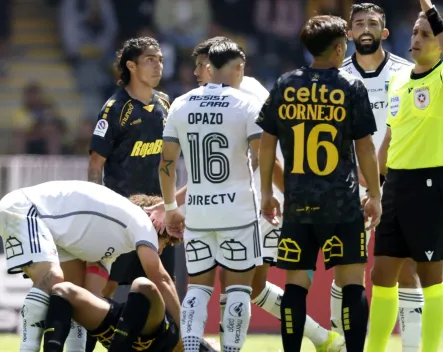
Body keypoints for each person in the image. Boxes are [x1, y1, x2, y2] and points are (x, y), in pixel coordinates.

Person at [191, 36, 345, 351]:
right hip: (252, 199)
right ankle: (324, 339)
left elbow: (270, 155)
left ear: (216, 65)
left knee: (234, 281)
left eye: (200, 64)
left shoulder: (246, 93)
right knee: (253, 286)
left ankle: (228, 347)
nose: (195, 72)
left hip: (265, 200)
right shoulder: (217, 98)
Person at [257, 15, 382, 352]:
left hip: (298, 204)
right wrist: (374, 193)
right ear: (340, 47)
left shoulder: (284, 84)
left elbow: (266, 143)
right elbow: (365, 147)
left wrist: (268, 192)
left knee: (296, 286)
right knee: (352, 284)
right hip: (342, 204)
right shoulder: (350, 87)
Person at [159, 41, 283, 352]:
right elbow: (265, 157)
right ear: (232, 67)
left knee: (198, 289)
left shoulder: (180, 104)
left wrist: (172, 207)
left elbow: (166, 163)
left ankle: (190, 348)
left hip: (199, 214)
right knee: (238, 289)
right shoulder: (246, 105)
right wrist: (270, 195)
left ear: (208, 67)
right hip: (238, 212)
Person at [366, 1, 443, 351]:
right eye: (414, 31)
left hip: (430, 185)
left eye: (426, 34)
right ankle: (375, 348)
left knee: (428, 276)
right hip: (395, 185)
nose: (416, 38)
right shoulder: (397, 79)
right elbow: (391, 138)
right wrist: (376, 188)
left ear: (440, 42)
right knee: (381, 273)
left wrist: (431, 12)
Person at [332, 4, 423, 351]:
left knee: (404, 270)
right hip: (347, 187)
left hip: (397, 183)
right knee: (346, 272)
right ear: (349, 33)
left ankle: (411, 349)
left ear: (384, 32)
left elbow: (412, 126)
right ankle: (340, 344)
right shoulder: (336, 76)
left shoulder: (406, 71)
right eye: (359, 24)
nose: (366, 29)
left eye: (373, 23)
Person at [0, 181, 180, 352]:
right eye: (166, 242)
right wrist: (183, 334)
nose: (162, 250)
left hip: (50, 227)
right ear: (158, 224)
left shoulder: (115, 244)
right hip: (25, 208)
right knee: (51, 277)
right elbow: (161, 278)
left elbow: (91, 296)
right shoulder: (143, 221)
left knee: (74, 292)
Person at [88, 37, 179, 305]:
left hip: (160, 215)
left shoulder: (165, 103)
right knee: (107, 286)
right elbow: (95, 165)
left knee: (161, 286)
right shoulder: (115, 108)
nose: (158, 65)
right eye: (150, 59)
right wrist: (98, 209)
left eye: (160, 59)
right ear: (131, 66)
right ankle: (84, 338)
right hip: (123, 215)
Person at [43, 278, 220, 352]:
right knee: (62, 290)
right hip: (124, 327)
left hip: (159, 340)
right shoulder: (117, 246)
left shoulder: (154, 249)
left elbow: (160, 280)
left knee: (143, 284)